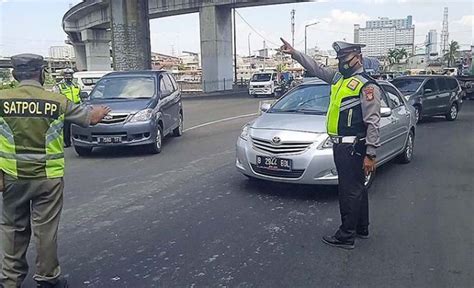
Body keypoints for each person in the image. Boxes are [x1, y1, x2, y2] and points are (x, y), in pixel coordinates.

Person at [0, 54, 111, 287]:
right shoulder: (57, 101)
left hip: (12, 177)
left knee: (12, 229)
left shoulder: (2, 100)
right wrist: (100, 111)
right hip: (48, 178)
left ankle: (9, 281)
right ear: (42, 73)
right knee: (45, 230)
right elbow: (90, 118)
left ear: (13, 74)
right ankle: (48, 278)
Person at [280, 38, 381, 250]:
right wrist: (295, 53)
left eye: (345, 58)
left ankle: (346, 236)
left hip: (352, 146)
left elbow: (373, 122)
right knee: (358, 189)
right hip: (342, 146)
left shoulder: (367, 86)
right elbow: (316, 68)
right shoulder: (338, 79)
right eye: (340, 59)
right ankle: (361, 227)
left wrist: (371, 154)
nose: (342, 62)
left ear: (358, 58)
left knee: (349, 191)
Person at [53, 68, 81, 148]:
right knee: (66, 127)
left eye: (70, 75)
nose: (69, 76)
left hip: (76, 107)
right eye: (67, 75)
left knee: (78, 126)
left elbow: (80, 95)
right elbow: (56, 97)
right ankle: (67, 142)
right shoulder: (59, 86)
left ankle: (78, 140)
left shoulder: (76, 85)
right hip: (66, 108)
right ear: (64, 76)